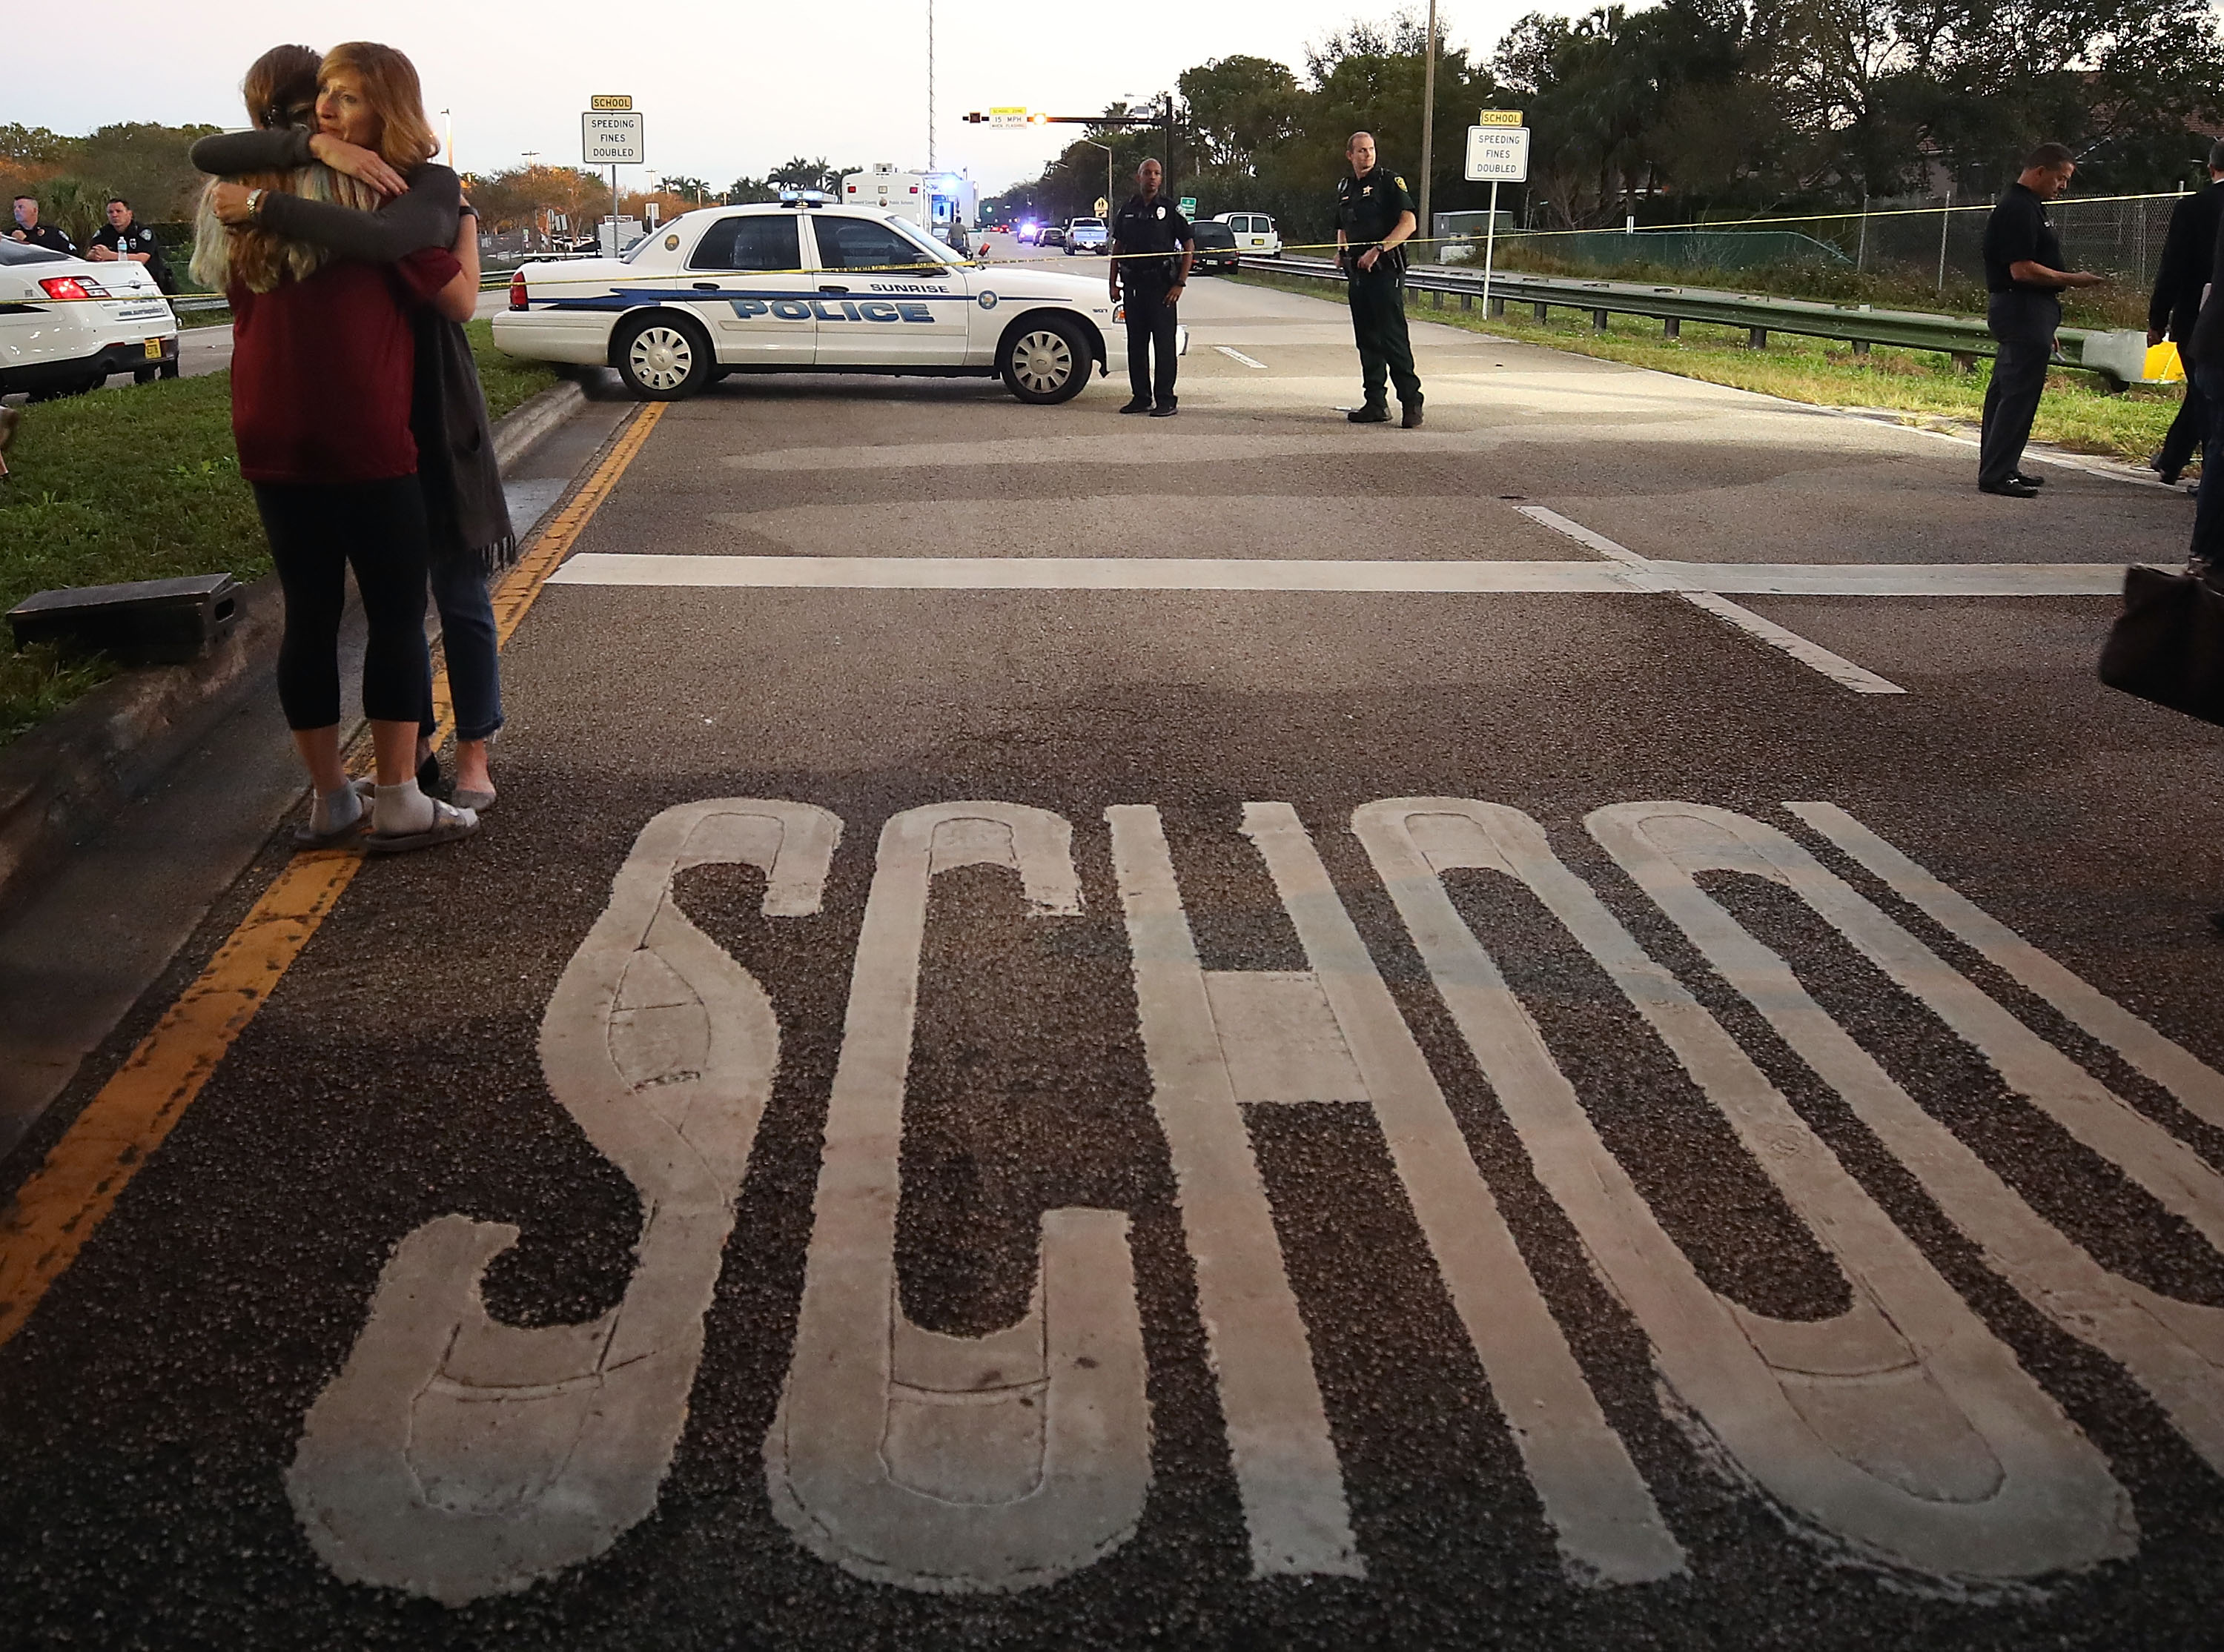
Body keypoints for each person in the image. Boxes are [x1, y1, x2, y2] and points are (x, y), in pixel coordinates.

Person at [194, 60, 509, 813]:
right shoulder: (365, 188)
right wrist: (320, 157)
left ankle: (343, 794)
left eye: (347, 100)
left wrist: (270, 196)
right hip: (372, 425)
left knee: (320, 613)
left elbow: (214, 156)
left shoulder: (235, 202)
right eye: (322, 103)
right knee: (403, 612)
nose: (330, 115)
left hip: (284, 428)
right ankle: (405, 787)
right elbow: (446, 288)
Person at [1976, 143, 2105, 498]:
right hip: (2022, 307)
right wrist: (2073, 279)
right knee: (2018, 394)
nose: (2063, 186)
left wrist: (2046, 325)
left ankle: (2002, 464)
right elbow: (2021, 269)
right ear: (2039, 171)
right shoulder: (2018, 208)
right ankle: (1997, 473)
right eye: (2060, 178)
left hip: (2030, 312)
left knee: (2007, 391)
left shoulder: (2031, 206)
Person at [2145, 145, 2224, 487]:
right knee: (2203, 392)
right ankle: (2173, 459)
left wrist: (2157, 320)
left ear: (2210, 168)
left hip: (2198, 318)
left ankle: (2207, 477)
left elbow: (2173, 269)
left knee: (2204, 393)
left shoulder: (2193, 207)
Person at [1335, 131, 1423, 428]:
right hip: (1358, 275)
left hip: (1385, 271)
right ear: (1350, 155)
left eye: (1371, 149)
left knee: (1392, 338)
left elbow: (1409, 223)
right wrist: (1341, 250)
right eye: (1361, 151)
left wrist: (1379, 249)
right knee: (1367, 340)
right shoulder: (1345, 187)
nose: (1367, 155)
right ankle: (1375, 402)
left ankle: (1411, 402)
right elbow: (1341, 224)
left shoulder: (1388, 182)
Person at [1108, 159, 1193, 417]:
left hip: (1162, 289)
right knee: (1136, 345)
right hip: (1134, 287)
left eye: (1157, 174)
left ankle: (1166, 400)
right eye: (1148, 173)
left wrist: (1180, 283)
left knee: (1165, 347)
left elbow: (1189, 245)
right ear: (1139, 177)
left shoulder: (1170, 209)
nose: (1152, 178)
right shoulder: (1128, 209)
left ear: (1161, 178)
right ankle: (1141, 397)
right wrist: (1113, 283)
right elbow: (1118, 249)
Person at [86, 196, 174, 294]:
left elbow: (142, 258)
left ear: (129, 214)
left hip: (150, 282)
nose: (114, 215)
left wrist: (110, 256)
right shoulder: (104, 233)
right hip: (117, 283)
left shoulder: (142, 232)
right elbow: (90, 253)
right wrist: (94, 256)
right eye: (110, 212)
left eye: (119, 211)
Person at [9, 195, 76, 255]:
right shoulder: (9, 234)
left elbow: (72, 255)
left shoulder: (52, 234)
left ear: (35, 211)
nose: (16, 210)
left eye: (21, 207)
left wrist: (26, 240)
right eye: (15, 208)